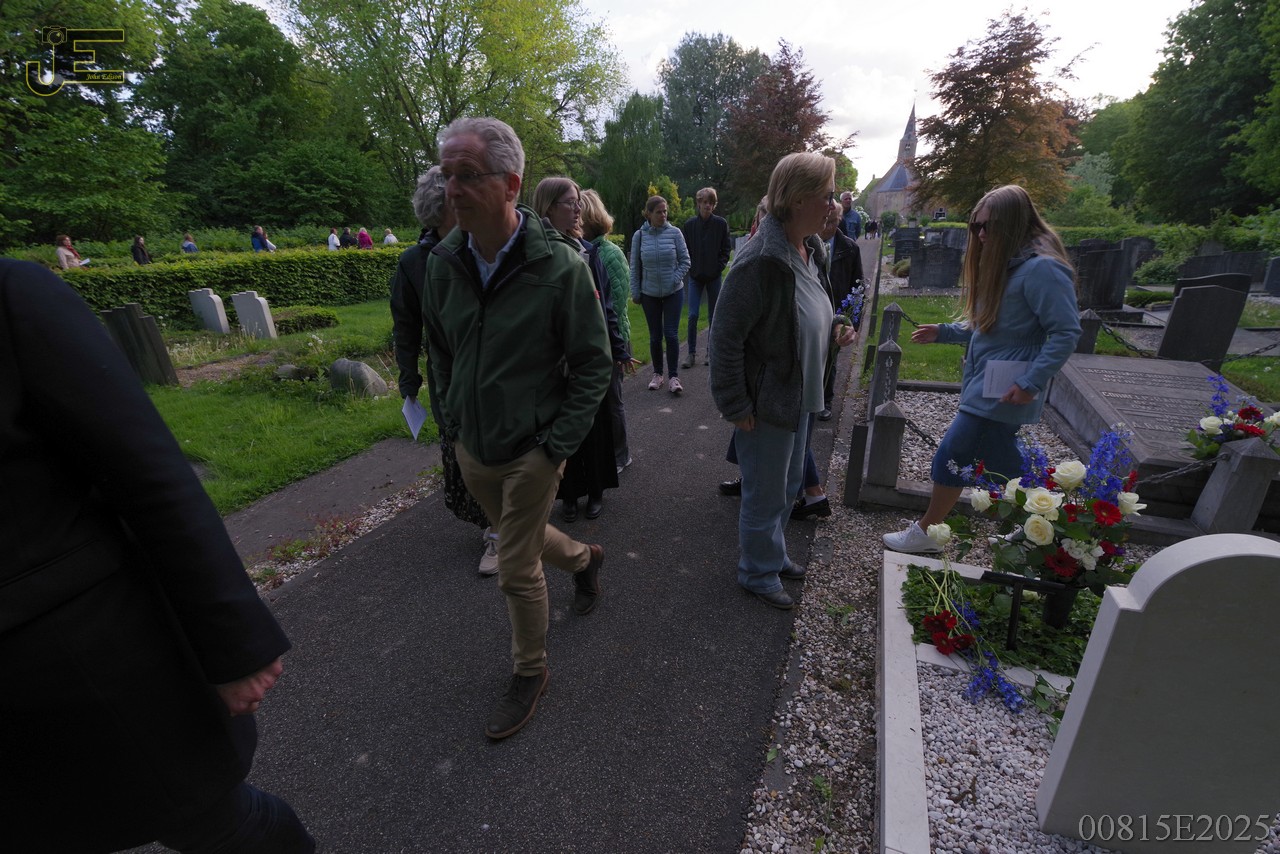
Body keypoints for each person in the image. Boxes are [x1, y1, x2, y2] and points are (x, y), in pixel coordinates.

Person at [0, 258, 315, 853]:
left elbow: (147, 475)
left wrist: (233, 646)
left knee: (221, 828)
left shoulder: (10, 295)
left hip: (77, 667)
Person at [422, 116, 610, 740]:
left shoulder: (560, 266)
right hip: (473, 448)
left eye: (467, 175)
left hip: (534, 449)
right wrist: (452, 422)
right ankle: (585, 559)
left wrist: (555, 448)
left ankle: (530, 671)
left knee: (514, 564)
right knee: (517, 535)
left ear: (510, 184)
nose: (452, 189)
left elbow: (593, 365)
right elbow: (440, 350)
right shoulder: (443, 263)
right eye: (447, 174)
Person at [882, 184, 1082, 555]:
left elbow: (1066, 332)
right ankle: (1045, 531)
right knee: (1006, 462)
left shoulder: (1042, 270)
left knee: (953, 454)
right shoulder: (1012, 266)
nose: (981, 234)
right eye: (976, 226)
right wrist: (945, 332)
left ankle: (928, 532)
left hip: (1006, 386)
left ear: (1013, 224)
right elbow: (991, 324)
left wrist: (1030, 382)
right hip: (991, 384)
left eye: (987, 226)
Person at [710, 152, 856, 611]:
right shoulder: (761, 260)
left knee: (789, 486)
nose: (834, 205)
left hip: (801, 396)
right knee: (765, 493)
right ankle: (756, 572)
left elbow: (812, 310)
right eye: (827, 196)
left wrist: (836, 327)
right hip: (768, 402)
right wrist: (735, 405)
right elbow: (724, 338)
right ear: (797, 200)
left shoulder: (811, 249)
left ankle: (771, 556)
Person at [391, 166, 499, 577]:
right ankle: (501, 523)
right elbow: (406, 328)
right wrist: (409, 381)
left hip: (495, 370)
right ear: (441, 209)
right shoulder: (414, 263)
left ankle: (501, 533)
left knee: (496, 451)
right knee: (464, 455)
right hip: (449, 377)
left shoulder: (488, 246)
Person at [531, 177, 629, 523]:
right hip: (556, 359)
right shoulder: (536, 253)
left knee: (596, 424)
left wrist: (617, 347)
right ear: (548, 208)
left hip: (590, 354)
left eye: (578, 202)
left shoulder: (589, 251)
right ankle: (569, 495)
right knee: (563, 425)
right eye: (570, 203)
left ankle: (596, 490)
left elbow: (607, 305)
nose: (578, 209)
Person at [580, 188, 636, 476]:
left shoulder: (609, 253)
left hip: (614, 338)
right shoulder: (582, 250)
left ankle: (621, 455)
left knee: (613, 401)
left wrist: (616, 346)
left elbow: (615, 302)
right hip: (594, 340)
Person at [629, 195, 690, 395]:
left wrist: (674, 279)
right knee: (655, 336)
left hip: (674, 292)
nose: (663, 215)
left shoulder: (675, 233)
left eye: (665, 211)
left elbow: (685, 261)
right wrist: (636, 292)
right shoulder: (639, 236)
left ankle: (673, 377)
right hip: (649, 293)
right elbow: (634, 267)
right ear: (648, 214)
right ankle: (657, 374)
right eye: (658, 212)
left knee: (671, 334)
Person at [819, 205, 863, 420]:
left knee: (831, 357)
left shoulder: (849, 248)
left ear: (840, 221)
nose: (827, 227)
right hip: (816, 307)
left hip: (837, 307)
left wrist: (853, 322)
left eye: (833, 222)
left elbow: (857, 285)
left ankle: (825, 400)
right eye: (826, 221)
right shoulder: (808, 242)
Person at [680, 187, 732, 369]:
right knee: (692, 314)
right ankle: (691, 353)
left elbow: (726, 249)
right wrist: (690, 267)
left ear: (714, 205)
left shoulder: (720, 224)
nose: (707, 205)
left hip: (714, 276)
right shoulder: (689, 226)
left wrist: (718, 267)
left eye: (710, 202)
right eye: (704, 202)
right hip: (695, 276)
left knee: (714, 316)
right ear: (699, 203)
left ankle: (711, 351)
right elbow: (684, 250)